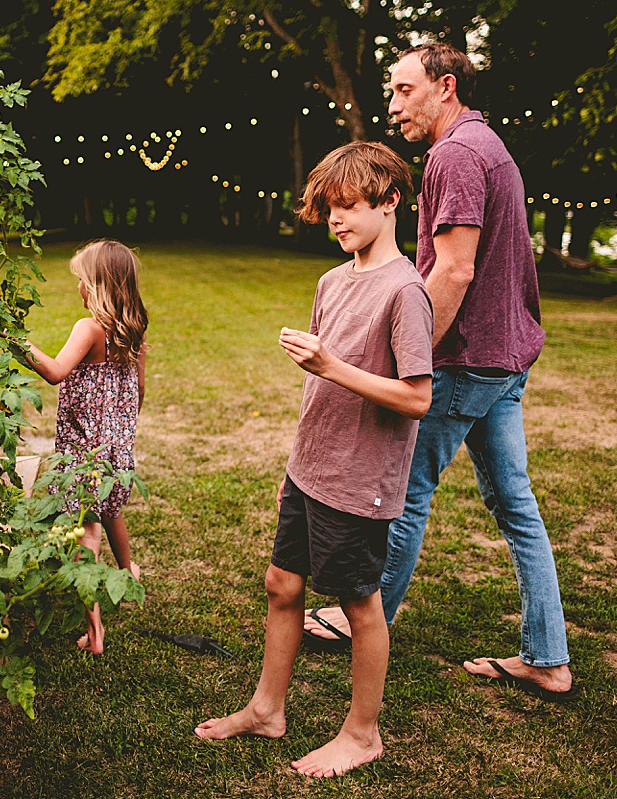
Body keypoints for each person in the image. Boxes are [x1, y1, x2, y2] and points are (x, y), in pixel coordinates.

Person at [303, 42, 578, 703]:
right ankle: (548, 659)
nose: (393, 104)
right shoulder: (487, 143)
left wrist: (410, 356)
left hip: (466, 360)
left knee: (403, 491)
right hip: (505, 357)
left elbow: (453, 269)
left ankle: (364, 622)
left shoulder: (454, 155)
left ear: (444, 86)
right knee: (516, 507)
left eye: (403, 90)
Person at [196, 141, 433, 778]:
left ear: (390, 203)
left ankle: (362, 734)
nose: (336, 218)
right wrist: (295, 466)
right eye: (330, 207)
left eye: (351, 206)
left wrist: (332, 364)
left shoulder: (405, 291)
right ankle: (267, 709)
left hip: (359, 478)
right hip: (311, 468)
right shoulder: (332, 280)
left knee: (360, 605)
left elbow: (417, 397)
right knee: (283, 585)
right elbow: (317, 388)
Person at [26, 238, 148, 655]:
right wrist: (122, 431)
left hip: (85, 448)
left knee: (85, 533)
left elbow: (57, 372)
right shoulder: (133, 328)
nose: (77, 289)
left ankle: (95, 630)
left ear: (97, 285)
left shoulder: (90, 327)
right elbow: (140, 389)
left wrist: (14, 342)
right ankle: (127, 573)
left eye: (80, 281)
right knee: (112, 510)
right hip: (116, 445)